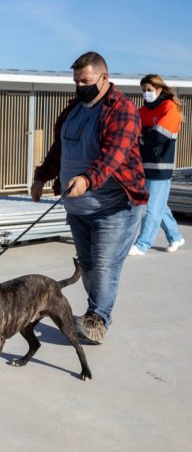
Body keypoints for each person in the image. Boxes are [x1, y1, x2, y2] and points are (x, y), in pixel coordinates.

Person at [31, 51, 147, 345]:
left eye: (86, 81)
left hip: (114, 208)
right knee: (87, 264)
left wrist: (87, 179)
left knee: (104, 263)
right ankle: (95, 312)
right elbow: (60, 148)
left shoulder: (122, 110)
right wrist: (42, 176)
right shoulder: (74, 108)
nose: (80, 87)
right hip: (78, 206)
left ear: (104, 78)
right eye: (76, 81)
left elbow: (113, 156)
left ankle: (97, 320)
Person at [128, 74, 185, 256]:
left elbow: (159, 137)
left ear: (160, 89)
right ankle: (175, 237)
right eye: (144, 90)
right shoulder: (142, 111)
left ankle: (142, 244)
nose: (146, 93)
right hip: (144, 167)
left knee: (150, 207)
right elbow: (133, 132)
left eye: (149, 90)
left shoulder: (170, 108)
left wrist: (140, 137)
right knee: (159, 206)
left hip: (160, 169)